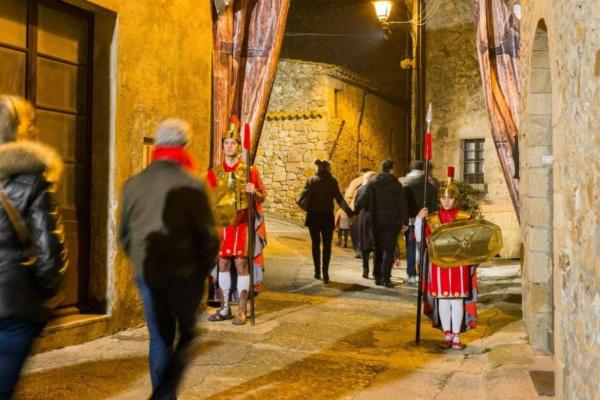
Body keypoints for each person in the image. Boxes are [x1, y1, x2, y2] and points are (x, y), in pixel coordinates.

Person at [119, 119, 219, 399]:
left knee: (160, 336)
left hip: (147, 270)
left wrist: (139, 262)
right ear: (184, 145)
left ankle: (163, 394)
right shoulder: (193, 184)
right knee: (186, 334)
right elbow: (209, 238)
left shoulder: (134, 184)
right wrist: (201, 271)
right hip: (184, 273)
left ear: (158, 146)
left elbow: (125, 235)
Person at [0, 95, 67, 398]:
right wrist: (45, 291)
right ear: (17, 130)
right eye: (30, 124)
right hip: (13, 305)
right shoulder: (33, 178)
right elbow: (49, 256)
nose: (35, 131)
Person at [206, 117, 267, 325]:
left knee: (241, 263)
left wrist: (254, 191)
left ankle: (242, 309)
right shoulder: (215, 173)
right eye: (226, 143)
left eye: (233, 143)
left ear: (239, 147)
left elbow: (262, 196)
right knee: (222, 263)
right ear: (222, 147)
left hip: (242, 225)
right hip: (222, 227)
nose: (229, 146)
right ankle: (224, 309)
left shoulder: (250, 170)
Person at [415, 166, 478, 350]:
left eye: (450, 197)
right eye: (443, 197)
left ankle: (456, 336)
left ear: (455, 198)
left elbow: (473, 242)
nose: (446, 201)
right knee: (442, 300)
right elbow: (422, 240)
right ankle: (447, 334)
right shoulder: (433, 219)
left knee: (456, 300)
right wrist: (419, 219)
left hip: (458, 267)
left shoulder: (465, 217)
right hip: (439, 266)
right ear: (439, 199)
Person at [356, 160, 408, 287]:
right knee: (388, 249)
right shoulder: (396, 184)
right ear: (391, 169)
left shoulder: (372, 183)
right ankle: (385, 278)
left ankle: (377, 276)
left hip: (375, 220)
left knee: (377, 248)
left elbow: (361, 200)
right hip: (391, 221)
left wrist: (361, 211)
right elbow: (402, 204)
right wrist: (405, 221)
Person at [299, 160, 353, 283]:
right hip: (326, 217)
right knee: (327, 246)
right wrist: (350, 213)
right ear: (328, 169)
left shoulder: (311, 181)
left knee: (315, 244)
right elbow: (339, 199)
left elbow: (303, 196)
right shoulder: (332, 182)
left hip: (313, 216)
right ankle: (325, 273)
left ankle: (317, 272)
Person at [400, 161, 439, 284]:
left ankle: (411, 274)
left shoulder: (405, 184)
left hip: (409, 221)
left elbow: (402, 204)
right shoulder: (428, 185)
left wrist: (403, 220)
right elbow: (433, 205)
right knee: (424, 247)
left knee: (410, 247)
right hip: (424, 220)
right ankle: (423, 273)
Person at [343, 168, 371, 257]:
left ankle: (358, 250)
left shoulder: (355, 182)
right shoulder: (374, 180)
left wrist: (345, 211)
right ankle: (366, 250)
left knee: (355, 231)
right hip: (369, 211)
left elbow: (348, 196)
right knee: (367, 231)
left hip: (354, 209)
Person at [353, 171, 376, 279]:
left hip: (363, 218)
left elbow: (356, 204)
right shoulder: (377, 189)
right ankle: (376, 271)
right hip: (375, 217)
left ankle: (365, 270)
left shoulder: (361, 189)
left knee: (365, 245)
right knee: (376, 245)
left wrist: (358, 213)